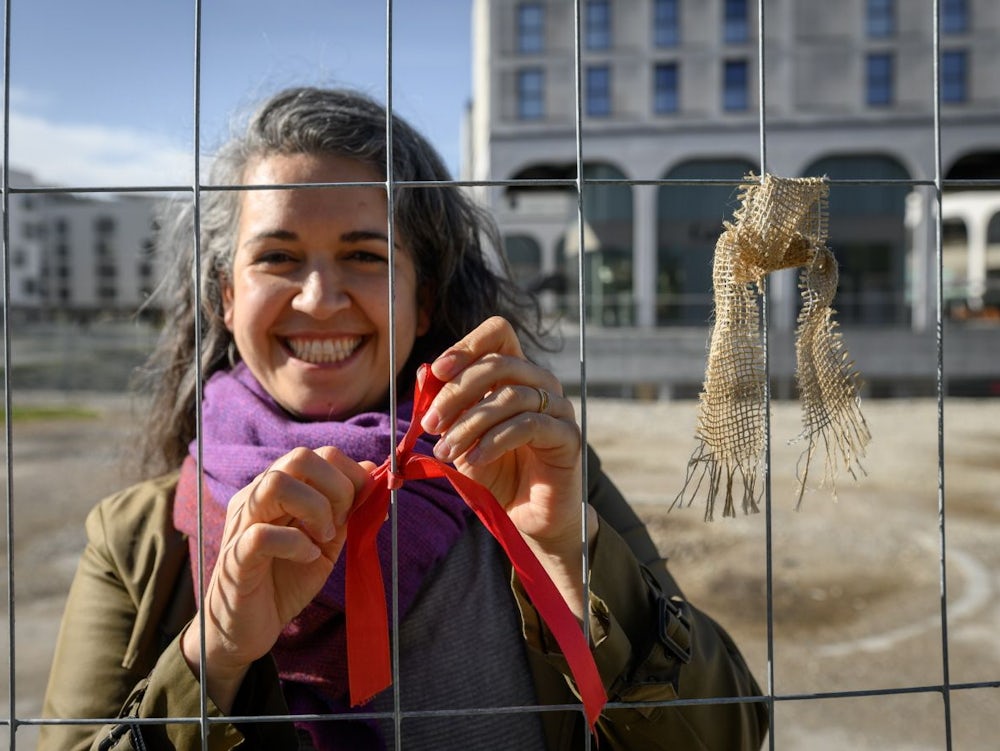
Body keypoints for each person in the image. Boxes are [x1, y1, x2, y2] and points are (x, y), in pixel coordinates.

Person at [39, 87, 767, 751]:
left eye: (364, 254)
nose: (320, 298)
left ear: (424, 299)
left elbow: (730, 732)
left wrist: (575, 559)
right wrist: (214, 657)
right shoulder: (135, 539)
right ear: (226, 298)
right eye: (279, 257)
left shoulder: (522, 471)